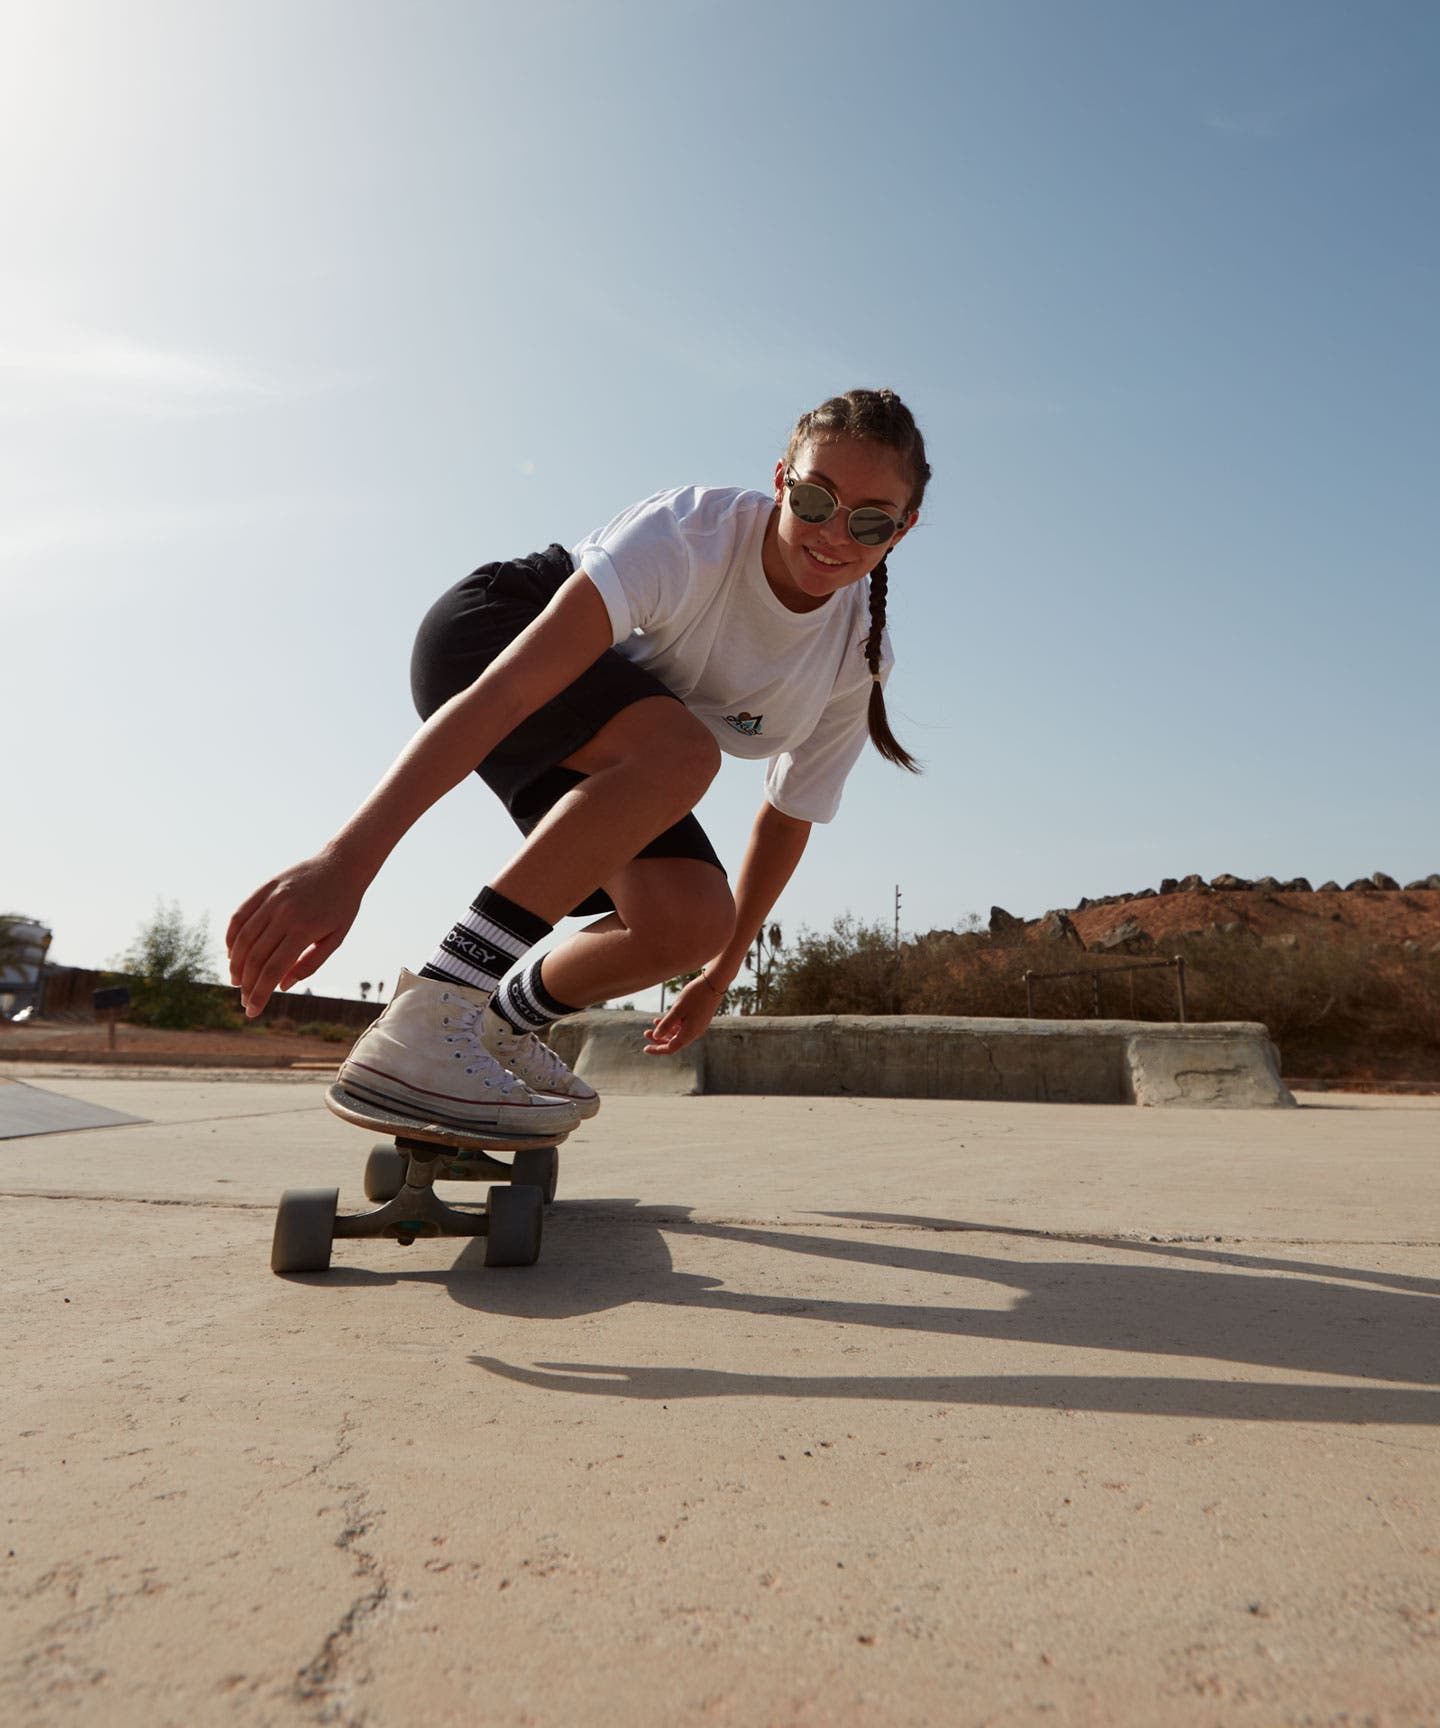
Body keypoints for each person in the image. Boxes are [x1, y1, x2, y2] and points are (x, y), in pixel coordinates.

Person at [226, 387, 931, 1137]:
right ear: (782, 476)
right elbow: (509, 691)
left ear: (903, 529)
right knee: (685, 754)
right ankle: (435, 1012)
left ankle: (493, 1028)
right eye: (816, 499)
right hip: (491, 638)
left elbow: (788, 816)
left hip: (612, 743)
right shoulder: (694, 536)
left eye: (869, 521)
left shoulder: (856, 655)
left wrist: (718, 976)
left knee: (691, 924)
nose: (833, 535)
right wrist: (348, 860)